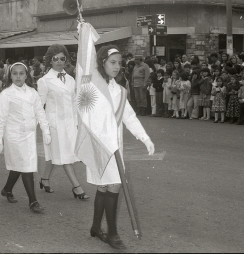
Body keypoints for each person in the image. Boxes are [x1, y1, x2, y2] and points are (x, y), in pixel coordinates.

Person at [87, 45, 154, 250]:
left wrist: (144, 137)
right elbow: (83, 116)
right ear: (102, 63)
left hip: (115, 147)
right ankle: (112, 233)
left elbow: (129, 117)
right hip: (99, 146)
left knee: (107, 185)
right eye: (112, 62)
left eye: (119, 63)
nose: (117, 67)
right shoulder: (91, 88)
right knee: (111, 185)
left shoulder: (121, 91)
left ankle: (97, 227)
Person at [0, 62, 51, 213]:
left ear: (26, 75)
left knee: (21, 165)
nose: (18, 77)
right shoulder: (5, 94)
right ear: (10, 76)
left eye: (21, 73)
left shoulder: (32, 92)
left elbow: (40, 113)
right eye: (15, 74)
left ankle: (7, 189)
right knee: (26, 166)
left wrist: (46, 131)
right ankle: (33, 201)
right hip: (14, 136)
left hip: (29, 136)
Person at [37, 44, 89, 199]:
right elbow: (40, 106)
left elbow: (74, 103)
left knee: (57, 154)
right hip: (54, 126)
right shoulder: (44, 81)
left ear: (66, 60)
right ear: (49, 61)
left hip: (70, 124)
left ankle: (45, 179)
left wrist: (78, 122)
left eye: (62, 58)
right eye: (55, 59)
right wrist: (43, 127)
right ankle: (77, 187)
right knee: (65, 156)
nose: (59, 62)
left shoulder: (71, 80)